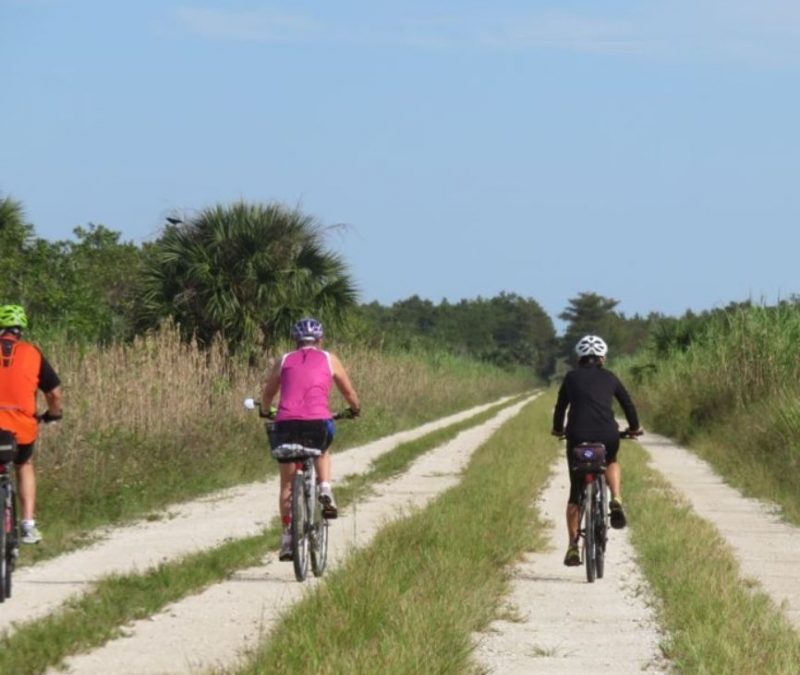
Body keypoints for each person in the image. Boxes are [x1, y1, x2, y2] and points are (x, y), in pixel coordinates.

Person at [261, 317, 360, 561]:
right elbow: (347, 391)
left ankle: (287, 539)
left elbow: (269, 392)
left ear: (295, 341)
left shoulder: (283, 360)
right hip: (317, 422)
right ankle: (325, 487)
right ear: (320, 340)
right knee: (322, 448)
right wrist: (355, 408)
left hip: (286, 423)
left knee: (286, 483)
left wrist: (265, 409)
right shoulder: (329, 358)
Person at [551, 334, 641, 567]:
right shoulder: (610, 377)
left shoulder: (571, 378)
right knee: (611, 459)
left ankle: (573, 546)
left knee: (575, 494)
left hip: (577, 438)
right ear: (602, 358)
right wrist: (633, 428)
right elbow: (627, 404)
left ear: (580, 357)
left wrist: (558, 429)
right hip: (607, 436)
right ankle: (617, 499)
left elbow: (561, 407)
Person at [0, 305, 63, 544]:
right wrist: (53, 415)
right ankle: (27, 525)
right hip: (21, 428)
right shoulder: (32, 353)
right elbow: (54, 394)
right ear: (20, 331)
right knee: (23, 464)